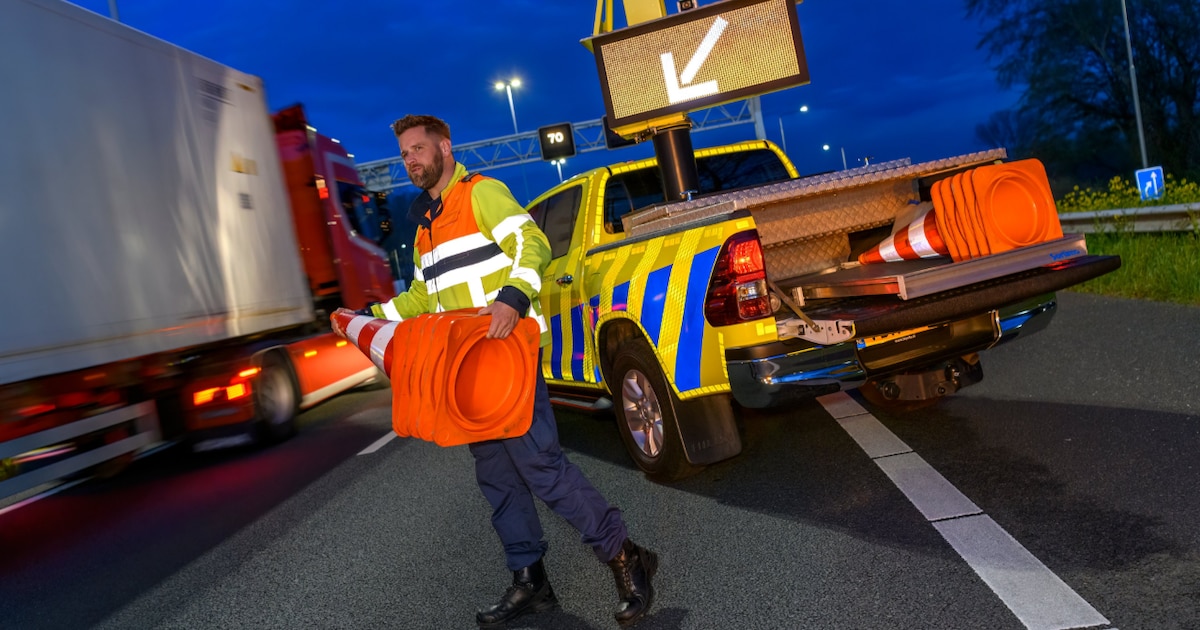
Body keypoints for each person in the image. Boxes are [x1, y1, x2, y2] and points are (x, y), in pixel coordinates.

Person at [369, 114, 658, 628]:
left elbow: (533, 244)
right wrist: (370, 319)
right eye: (404, 154)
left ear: (445, 146)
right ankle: (531, 582)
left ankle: (624, 556)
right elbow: (419, 298)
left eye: (418, 149)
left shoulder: (481, 194)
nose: (411, 159)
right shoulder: (425, 229)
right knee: (498, 479)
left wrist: (511, 298)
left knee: (541, 468)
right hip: (468, 377)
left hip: (507, 362)